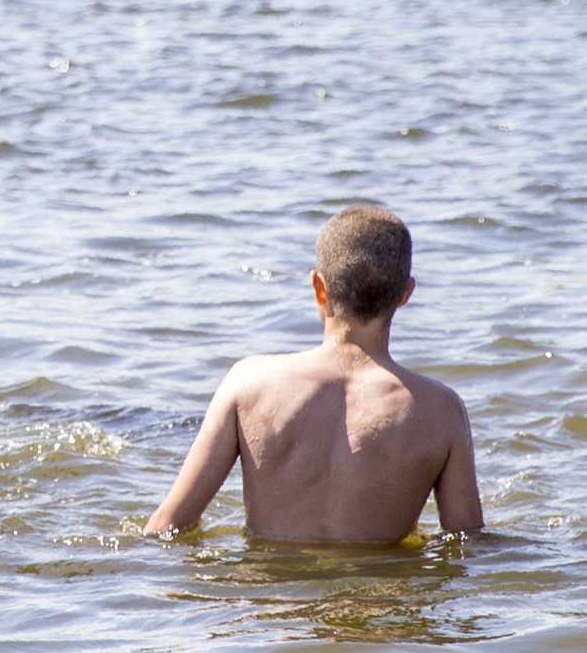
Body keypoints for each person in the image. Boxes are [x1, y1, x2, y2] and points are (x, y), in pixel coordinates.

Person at [145, 206, 484, 542]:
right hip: (378, 596)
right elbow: (467, 542)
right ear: (405, 294)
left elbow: (168, 525)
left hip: (274, 594)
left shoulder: (247, 383)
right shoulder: (440, 411)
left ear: (319, 287)